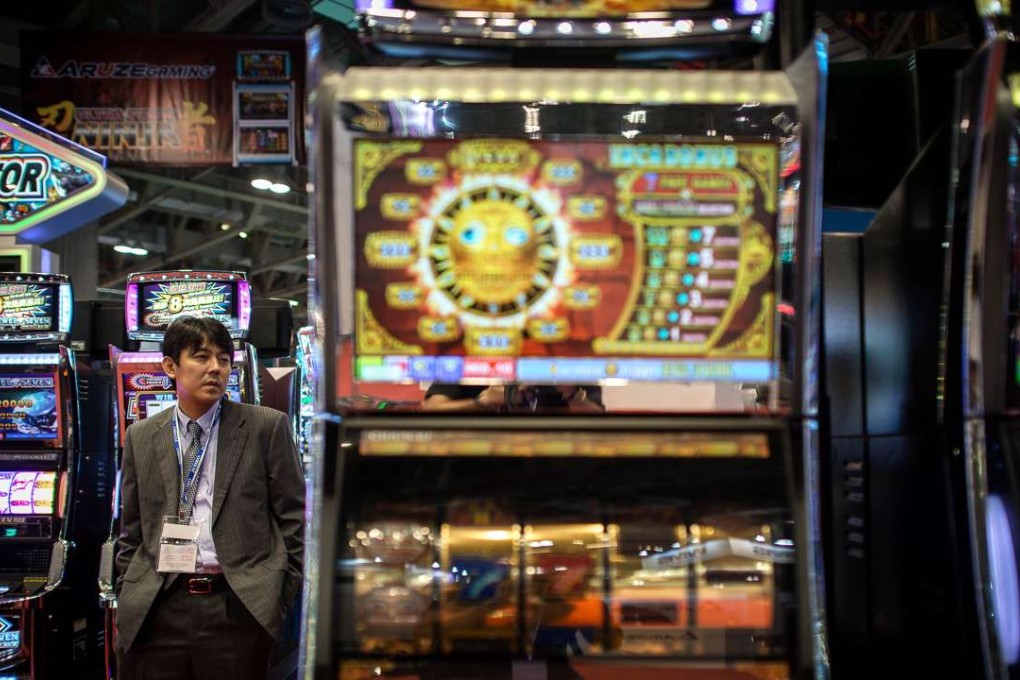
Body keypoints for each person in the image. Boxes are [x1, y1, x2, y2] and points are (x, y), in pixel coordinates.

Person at [115, 316, 305, 679]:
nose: (215, 368)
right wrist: (128, 590)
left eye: (224, 359)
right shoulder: (142, 435)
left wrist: (278, 595)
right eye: (201, 357)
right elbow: (132, 529)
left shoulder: (266, 426)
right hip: (158, 604)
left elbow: (293, 518)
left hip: (237, 605)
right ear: (171, 366)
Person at [422, 383, 604, 412]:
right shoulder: (469, 355)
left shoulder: (570, 358)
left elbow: (599, 418)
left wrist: (572, 395)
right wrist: (479, 402)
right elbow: (431, 407)